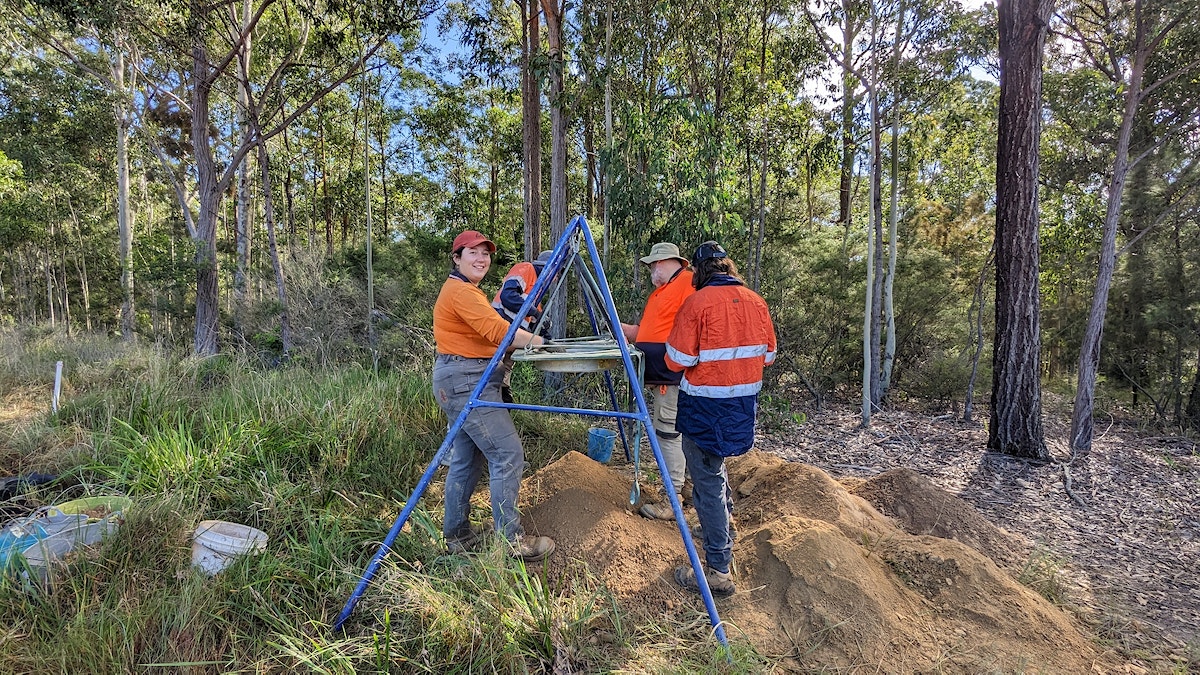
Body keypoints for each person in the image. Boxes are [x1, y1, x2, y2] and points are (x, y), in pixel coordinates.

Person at [432, 229, 555, 562]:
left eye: (485, 253)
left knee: (467, 460)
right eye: (472, 252)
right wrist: (538, 341)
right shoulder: (462, 292)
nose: (481, 258)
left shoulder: (465, 291)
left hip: (457, 378)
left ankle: (457, 536)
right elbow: (497, 330)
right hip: (467, 380)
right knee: (507, 454)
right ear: (457, 258)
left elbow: (488, 332)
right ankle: (511, 540)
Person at [665, 241, 776, 597]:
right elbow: (769, 355)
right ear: (727, 267)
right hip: (741, 406)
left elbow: (675, 359)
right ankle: (723, 528)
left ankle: (717, 569)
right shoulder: (757, 301)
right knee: (716, 468)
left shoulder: (697, 303)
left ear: (698, 272)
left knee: (707, 480)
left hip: (704, 407)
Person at [619, 242, 695, 520]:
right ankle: (686, 487)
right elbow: (649, 332)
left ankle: (672, 499)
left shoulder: (688, 283)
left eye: (652, 265)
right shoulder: (662, 293)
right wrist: (623, 329)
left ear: (663, 262)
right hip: (664, 376)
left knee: (668, 433)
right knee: (674, 431)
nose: (651, 269)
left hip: (673, 377)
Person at [492, 250, 554, 403]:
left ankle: (503, 399)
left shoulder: (536, 294)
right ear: (548, 268)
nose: (555, 279)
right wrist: (535, 313)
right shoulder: (526, 269)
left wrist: (549, 339)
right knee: (490, 378)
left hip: (509, 344)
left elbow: (533, 324)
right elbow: (508, 296)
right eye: (556, 274)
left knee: (503, 380)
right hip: (496, 334)